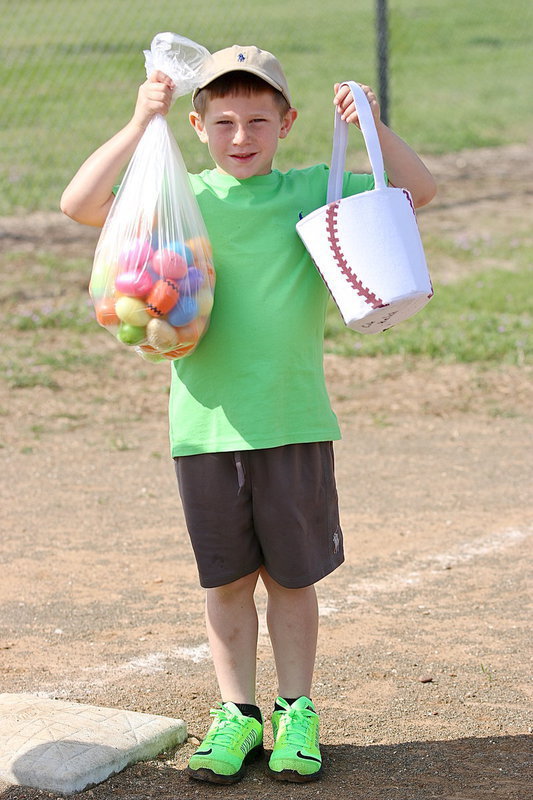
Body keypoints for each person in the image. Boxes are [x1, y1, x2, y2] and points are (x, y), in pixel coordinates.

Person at [61, 44, 436, 785]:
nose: (241, 137)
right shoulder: (180, 199)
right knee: (227, 582)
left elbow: (416, 191)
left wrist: (370, 120)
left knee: (292, 580)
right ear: (197, 125)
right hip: (202, 426)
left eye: (258, 121)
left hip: (292, 419)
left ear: (286, 122)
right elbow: (79, 206)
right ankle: (237, 714)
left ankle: (296, 710)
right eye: (224, 121)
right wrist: (143, 118)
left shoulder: (309, 190)